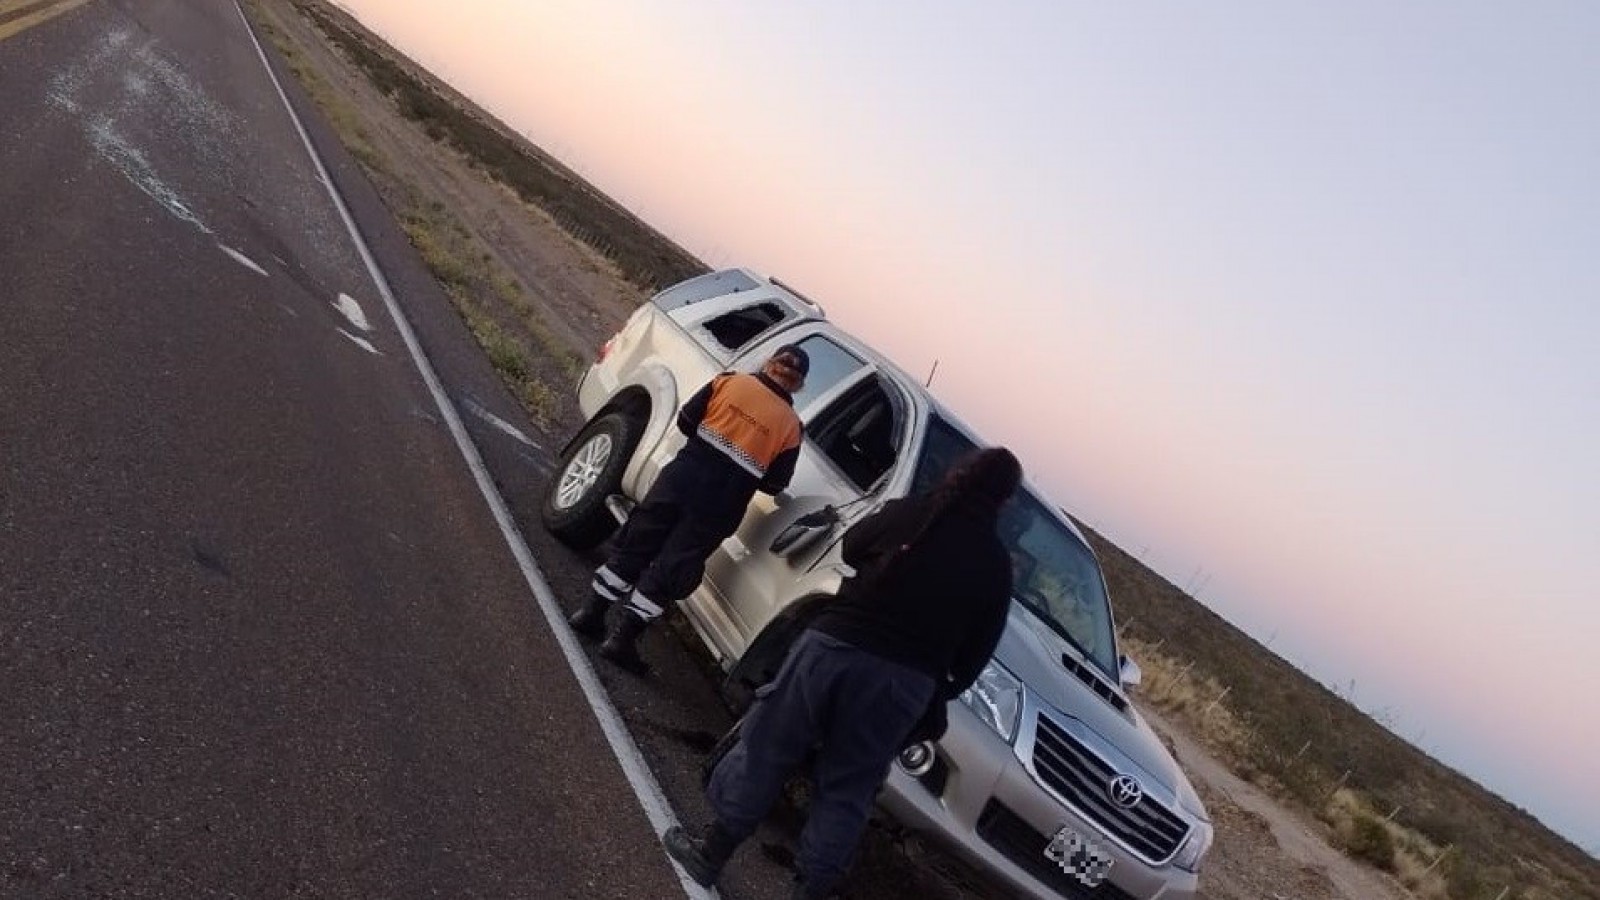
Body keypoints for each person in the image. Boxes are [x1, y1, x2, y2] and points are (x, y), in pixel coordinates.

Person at [661, 447, 1023, 899]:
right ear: (1006, 501)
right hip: (902, 687)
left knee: (769, 745)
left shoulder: (909, 514)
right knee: (849, 788)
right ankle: (809, 892)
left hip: (835, 649)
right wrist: (928, 691)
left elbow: (851, 546)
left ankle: (711, 853)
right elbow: (971, 661)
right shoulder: (995, 568)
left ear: (959, 472)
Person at [567, 345, 810, 673]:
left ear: (770, 363)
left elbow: (685, 421)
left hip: (680, 478)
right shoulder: (791, 427)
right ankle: (621, 640)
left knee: (638, 539)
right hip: (721, 503)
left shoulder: (729, 381)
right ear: (798, 384)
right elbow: (774, 484)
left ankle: (590, 613)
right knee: (675, 563)